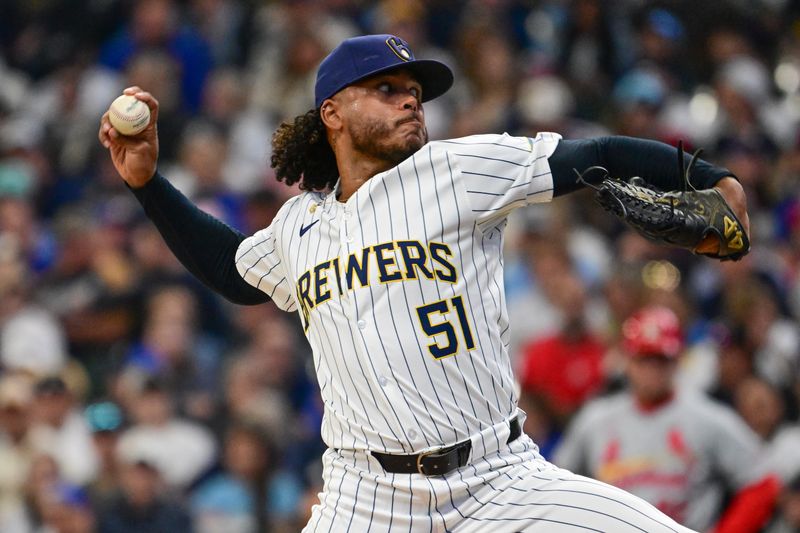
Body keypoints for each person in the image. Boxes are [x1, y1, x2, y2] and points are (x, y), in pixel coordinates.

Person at [99, 33, 750, 532]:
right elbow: (235, 271)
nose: (410, 97)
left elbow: (591, 155)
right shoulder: (299, 226)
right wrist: (148, 185)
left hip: (500, 478)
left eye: (413, 89)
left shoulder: (457, 169)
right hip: (366, 497)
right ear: (333, 111)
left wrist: (710, 176)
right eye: (386, 88)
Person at [554, 305, 779, 532]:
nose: (652, 370)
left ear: (676, 361)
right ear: (627, 361)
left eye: (660, 359)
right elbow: (557, 488)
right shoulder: (595, 419)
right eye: (644, 359)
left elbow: (762, 483)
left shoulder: (707, 416)